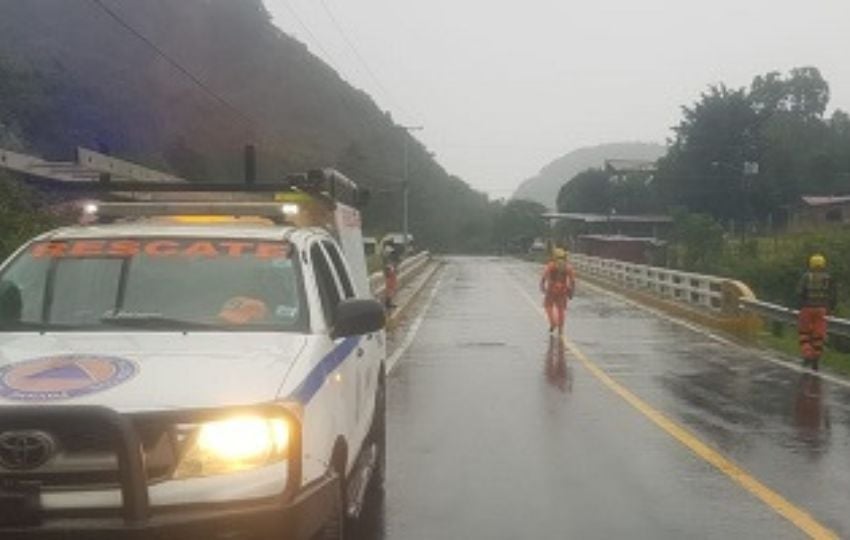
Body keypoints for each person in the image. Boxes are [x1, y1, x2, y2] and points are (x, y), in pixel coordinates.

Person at [797, 254, 837, 371]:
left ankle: (807, 356)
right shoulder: (828, 278)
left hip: (807, 308)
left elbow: (799, 292)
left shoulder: (806, 277)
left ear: (811, 264)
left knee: (804, 333)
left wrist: (799, 305)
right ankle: (816, 358)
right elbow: (833, 295)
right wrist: (831, 308)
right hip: (822, 310)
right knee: (818, 335)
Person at [540, 248, 576, 334]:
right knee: (561, 310)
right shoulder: (568, 267)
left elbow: (544, 277)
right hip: (563, 290)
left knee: (548, 307)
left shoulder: (551, 265)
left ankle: (553, 323)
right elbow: (572, 281)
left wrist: (542, 286)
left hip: (551, 289)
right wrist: (571, 292)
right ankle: (561, 328)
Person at [381, 240, 398, 309]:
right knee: (390, 288)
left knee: (391, 288)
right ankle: (388, 303)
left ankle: (389, 302)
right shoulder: (388, 250)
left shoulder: (385, 250)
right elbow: (388, 261)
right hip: (389, 270)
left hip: (390, 270)